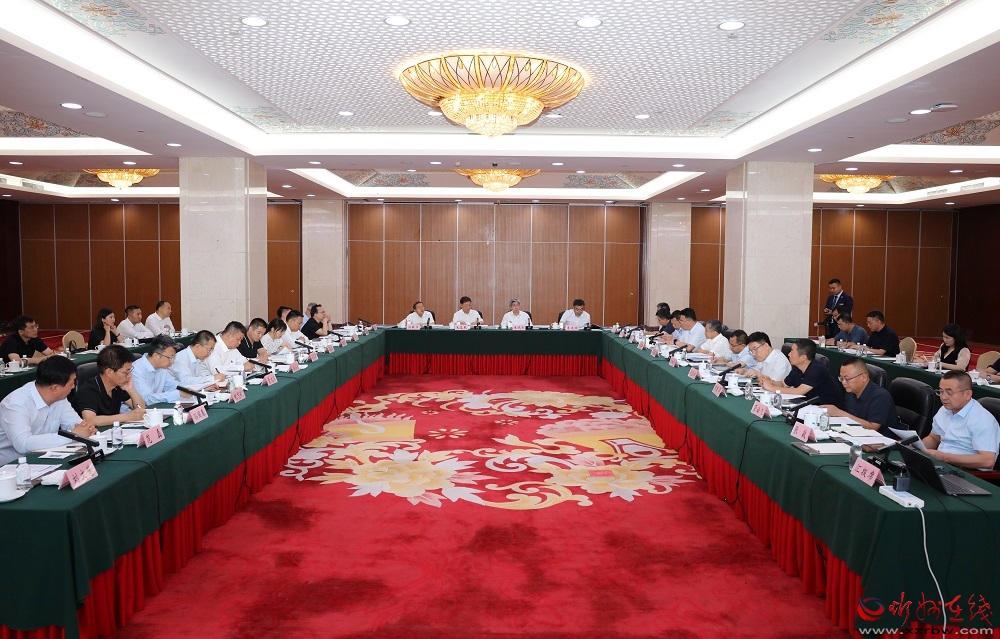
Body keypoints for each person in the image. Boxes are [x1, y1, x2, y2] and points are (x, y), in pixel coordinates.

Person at [0, 356, 96, 466]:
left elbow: (75, 424)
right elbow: (23, 444)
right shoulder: (16, 404)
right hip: (11, 466)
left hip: (45, 457)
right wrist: (72, 435)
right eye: (71, 383)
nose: (73, 386)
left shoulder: (60, 398)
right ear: (55, 388)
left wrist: (86, 429)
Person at [921, 371, 999, 471]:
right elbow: (934, 438)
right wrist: (916, 447)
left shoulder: (982, 419)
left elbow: (987, 461)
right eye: (941, 391)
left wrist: (944, 457)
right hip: (941, 465)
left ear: (967, 394)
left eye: (949, 393)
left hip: (967, 472)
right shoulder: (944, 410)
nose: (943, 397)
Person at [822, 357, 899, 438]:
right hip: (856, 434)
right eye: (841, 378)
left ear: (863, 377)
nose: (843, 382)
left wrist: (840, 413)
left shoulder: (880, 396)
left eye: (847, 378)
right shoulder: (851, 391)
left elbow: (873, 427)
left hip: (881, 440)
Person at [72, 345, 146, 426]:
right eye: (126, 372)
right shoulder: (88, 390)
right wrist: (127, 417)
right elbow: (90, 420)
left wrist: (131, 389)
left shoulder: (118, 386)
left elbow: (140, 409)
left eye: (130, 371)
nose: (129, 375)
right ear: (109, 372)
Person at [761, 338, 844, 408]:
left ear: (803, 357)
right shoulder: (797, 367)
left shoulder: (817, 369)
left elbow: (799, 392)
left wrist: (771, 387)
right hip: (809, 407)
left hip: (829, 411)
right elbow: (783, 384)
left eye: (792, 351)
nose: (789, 354)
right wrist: (771, 382)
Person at [132, 335, 188, 405]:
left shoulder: (161, 368)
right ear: (156, 356)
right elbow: (146, 399)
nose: (172, 361)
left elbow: (173, 386)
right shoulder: (136, 370)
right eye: (170, 358)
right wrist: (177, 394)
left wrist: (190, 389)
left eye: (173, 357)